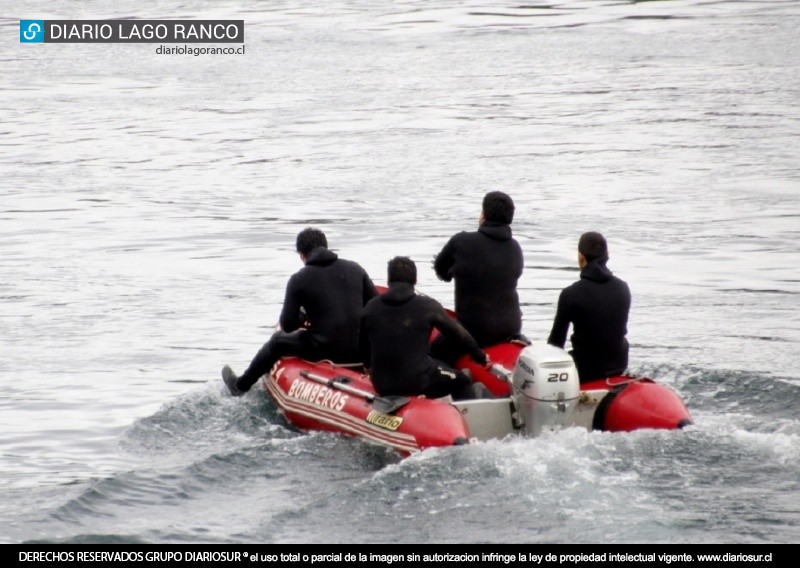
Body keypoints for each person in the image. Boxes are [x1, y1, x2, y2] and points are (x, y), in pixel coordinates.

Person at [222, 228, 379, 396]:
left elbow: (288, 325)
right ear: (326, 246)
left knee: (277, 341)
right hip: (362, 351)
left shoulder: (299, 279)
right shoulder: (356, 269)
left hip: (325, 349)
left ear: (302, 255)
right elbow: (377, 306)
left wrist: (303, 314)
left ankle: (240, 386)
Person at [359, 256, 493, 400]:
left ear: (389, 280)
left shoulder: (370, 307)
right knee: (462, 381)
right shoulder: (428, 306)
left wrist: (367, 365)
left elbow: (362, 344)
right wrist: (480, 356)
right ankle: (463, 419)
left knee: (436, 363)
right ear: (415, 280)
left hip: (382, 384)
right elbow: (459, 335)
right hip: (418, 381)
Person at [431, 190, 525, 365]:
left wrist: (453, 272)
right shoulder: (516, 248)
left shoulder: (461, 241)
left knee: (430, 356)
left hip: (474, 331)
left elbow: (440, 270)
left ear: (484, 215)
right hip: (510, 329)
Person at [547, 231, 631, 383]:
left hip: (585, 371)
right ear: (607, 255)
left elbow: (555, 345)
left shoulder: (570, 294)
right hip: (619, 366)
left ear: (581, 257)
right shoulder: (623, 288)